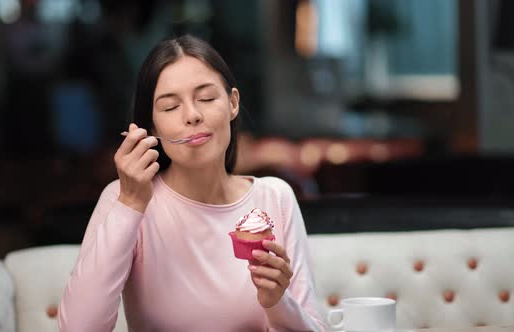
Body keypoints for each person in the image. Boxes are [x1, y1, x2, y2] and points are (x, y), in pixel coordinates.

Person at [58, 35, 326, 331]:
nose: (193, 115)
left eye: (207, 98)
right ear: (152, 126)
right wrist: (131, 204)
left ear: (233, 103)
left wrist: (277, 302)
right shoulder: (124, 199)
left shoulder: (275, 197)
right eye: (171, 107)